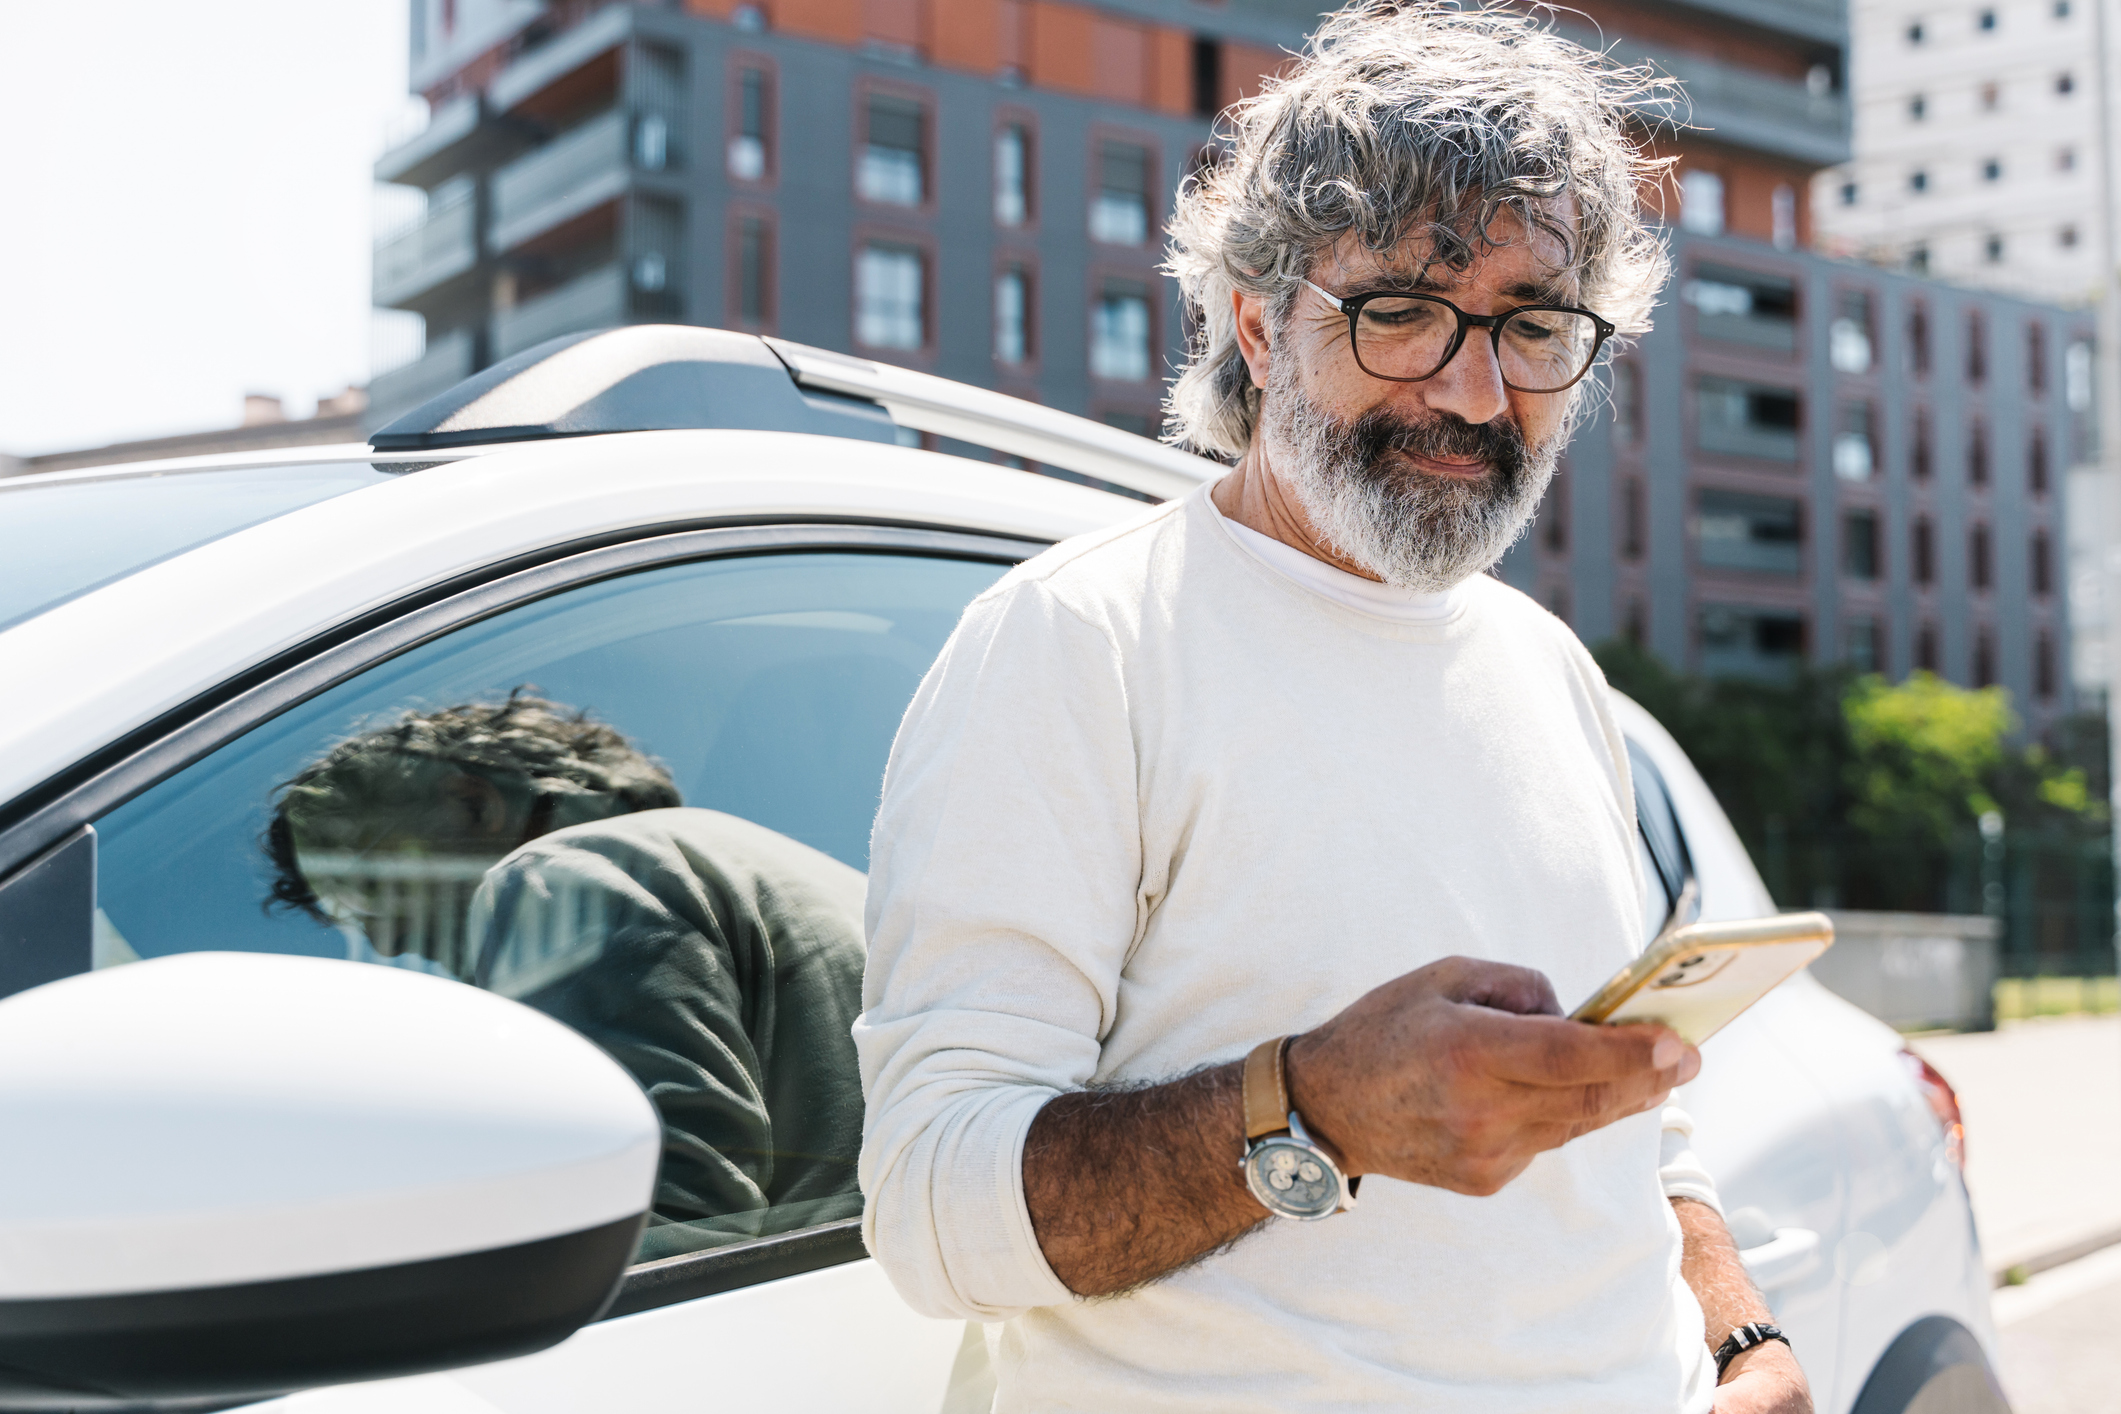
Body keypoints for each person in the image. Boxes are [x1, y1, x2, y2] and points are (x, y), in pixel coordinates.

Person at [855, 6, 1809, 1412]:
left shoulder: (1548, 670)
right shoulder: (1081, 643)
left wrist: (1739, 1332)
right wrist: (1313, 1109)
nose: (1474, 390)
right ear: (1257, 318)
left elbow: (1632, 1132)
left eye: (1534, 325)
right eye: (1404, 312)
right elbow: (933, 1211)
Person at [266, 692, 868, 1259]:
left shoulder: (562, 876)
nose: (383, 941)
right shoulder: (762, 866)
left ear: (475, 803)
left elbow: (677, 1219)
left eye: (370, 887)